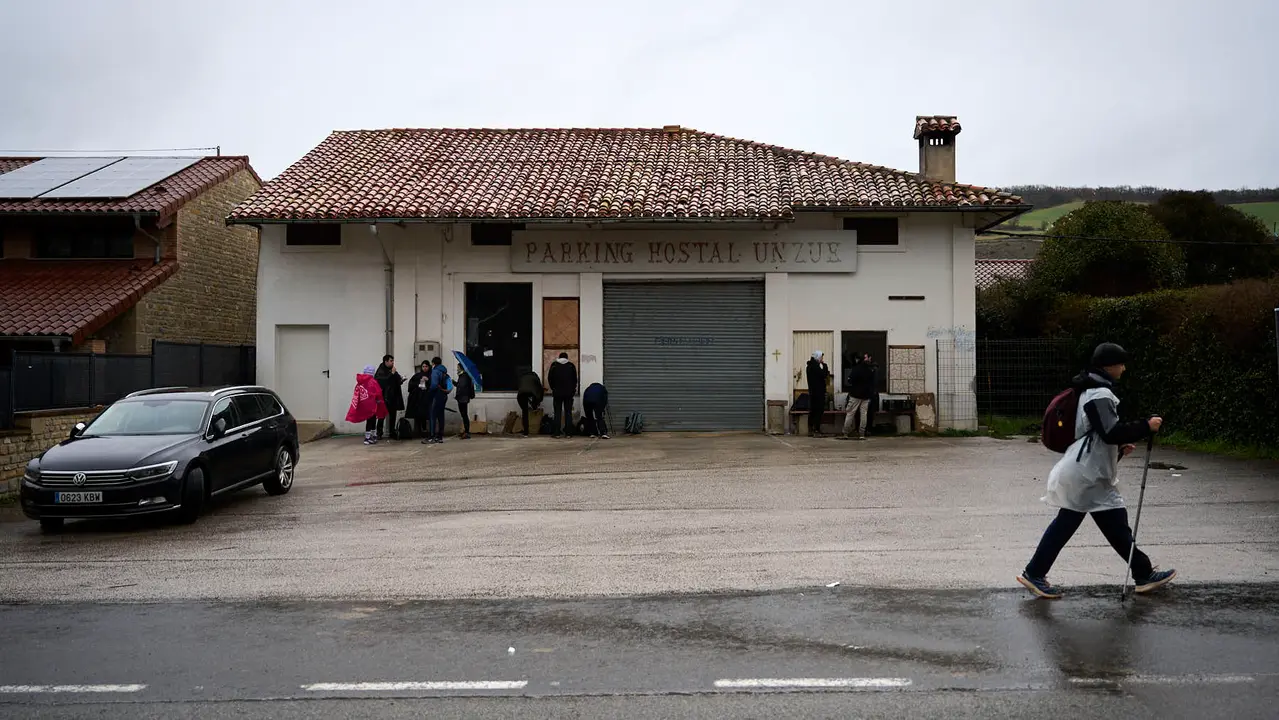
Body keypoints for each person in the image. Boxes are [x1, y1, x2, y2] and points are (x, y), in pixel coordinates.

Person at [1017, 342, 1176, 599]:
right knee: (1091, 525)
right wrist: (1146, 426)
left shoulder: (1090, 390)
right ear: (1110, 366)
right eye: (1121, 364)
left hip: (1088, 473)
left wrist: (1120, 447)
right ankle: (1035, 573)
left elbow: (1099, 434)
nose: (1124, 368)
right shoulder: (1099, 393)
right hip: (1088, 476)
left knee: (1105, 525)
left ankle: (1142, 572)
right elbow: (1110, 432)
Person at [345, 364, 387, 445]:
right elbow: (378, 392)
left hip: (364, 404)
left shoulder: (360, 382)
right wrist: (379, 401)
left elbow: (357, 393)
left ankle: (369, 437)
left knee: (369, 420)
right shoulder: (373, 382)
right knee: (373, 420)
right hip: (372, 405)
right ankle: (371, 436)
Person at [842, 353, 874, 440]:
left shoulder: (856, 369)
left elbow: (849, 380)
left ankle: (845, 433)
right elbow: (872, 384)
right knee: (864, 414)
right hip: (866, 396)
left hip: (855, 395)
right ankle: (862, 434)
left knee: (850, 413)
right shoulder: (869, 370)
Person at [547, 352, 578, 438]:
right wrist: (572, 390)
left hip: (557, 393)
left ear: (559, 357)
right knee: (568, 412)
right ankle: (568, 433)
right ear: (567, 358)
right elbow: (575, 380)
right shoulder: (571, 366)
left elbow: (550, 378)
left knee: (557, 413)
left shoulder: (554, 365)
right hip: (569, 393)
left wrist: (553, 388)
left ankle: (556, 433)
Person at [373, 354, 405, 440]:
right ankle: (379, 432)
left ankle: (392, 432)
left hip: (393, 396)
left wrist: (401, 380)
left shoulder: (392, 369)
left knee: (393, 415)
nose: (392, 362)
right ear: (386, 361)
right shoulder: (381, 370)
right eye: (391, 361)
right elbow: (383, 381)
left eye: (393, 361)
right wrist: (392, 373)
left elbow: (397, 379)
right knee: (381, 415)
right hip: (384, 396)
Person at [424, 356, 450, 444]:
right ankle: (440, 436)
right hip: (444, 395)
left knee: (432, 415)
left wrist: (429, 389)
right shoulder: (444, 372)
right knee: (441, 416)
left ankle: (432, 436)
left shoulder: (435, 371)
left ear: (433, 363)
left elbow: (434, 385)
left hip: (436, 395)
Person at [805, 350, 830, 437]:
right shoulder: (815, 367)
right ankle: (816, 429)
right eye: (821, 357)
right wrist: (825, 365)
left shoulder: (809, 366)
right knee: (818, 411)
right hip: (818, 392)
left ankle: (811, 429)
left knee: (813, 410)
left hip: (812, 392)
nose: (822, 359)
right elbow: (824, 375)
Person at [405, 360, 432, 439]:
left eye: (426, 366)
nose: (425, 368)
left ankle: (425, 430)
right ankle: (418, 431)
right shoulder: (417, 376)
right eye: (423, 366)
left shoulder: (431, 375)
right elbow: (410, 385)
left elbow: (433, 385)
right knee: (417, 415)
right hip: (417, 399)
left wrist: (428, 381)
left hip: (426, 399)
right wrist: (418, 385)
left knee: (425, 415)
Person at [516, 370, 544, 436]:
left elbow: (519, 387)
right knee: (534, 399)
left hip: (521, 394)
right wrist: (539, 400)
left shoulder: (522, 377)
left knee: (524, 412)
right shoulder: (535, 378)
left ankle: (526, 432)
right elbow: (540, 389)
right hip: (532, 393)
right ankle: (534, 407)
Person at [455, 362, 476, 439]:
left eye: (458, 367)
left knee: (464, 415)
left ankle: (467, 432)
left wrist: (458, 394)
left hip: (463, 398)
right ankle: (466, 431)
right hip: (462, 398)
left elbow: (462, 386)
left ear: (461, 368)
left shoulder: (464, 376)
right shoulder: (462, 376)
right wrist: (454, 382)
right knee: (463, 415)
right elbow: (460, 385)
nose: (457, 369)